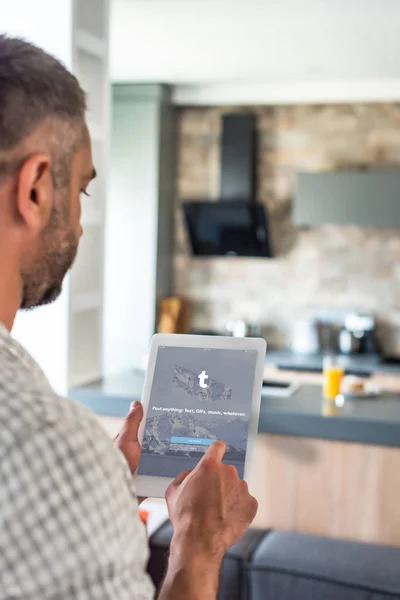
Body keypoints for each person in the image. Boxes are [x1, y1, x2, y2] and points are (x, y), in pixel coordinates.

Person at [0, 34, 258, 599]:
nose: (83, 224)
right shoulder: (45, 443)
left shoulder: (57, 460)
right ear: (37, 188)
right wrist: (198, 541)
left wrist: (100, 491)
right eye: (82, 191)